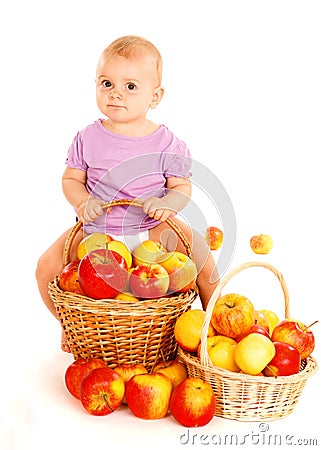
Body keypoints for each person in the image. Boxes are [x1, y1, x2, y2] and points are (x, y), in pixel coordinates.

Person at [36, 35, 219, 351]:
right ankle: (71, 327)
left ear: (155, 96)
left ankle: (210, 331)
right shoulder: (87, 138)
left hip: (151, 227)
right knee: (45, 268)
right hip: (98, 230)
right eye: (106, 83)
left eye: (130, 86)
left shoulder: (166, 143)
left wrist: (166, 204)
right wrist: (83, 201)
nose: (115, 93)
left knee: (202, 258)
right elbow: (71, 179)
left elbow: (181, 187)